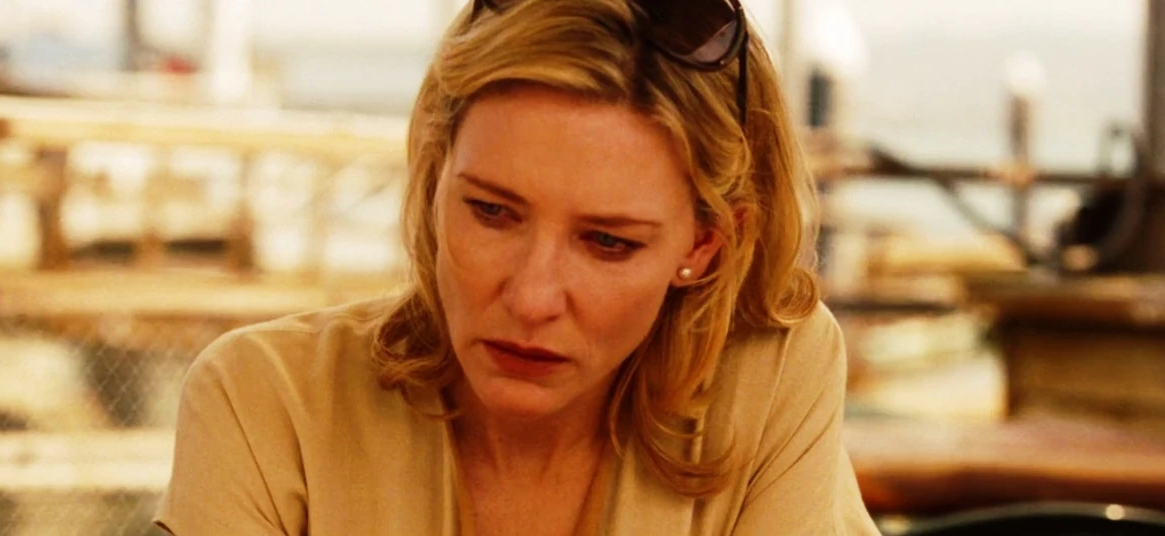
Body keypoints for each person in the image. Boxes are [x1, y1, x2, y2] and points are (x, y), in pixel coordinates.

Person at [153, 0, 881, 534]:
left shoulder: (768, 378)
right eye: (492, 212)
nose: (532, 298)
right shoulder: (267, 402)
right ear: (434, 179)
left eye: (608, 242)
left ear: (703, 247)